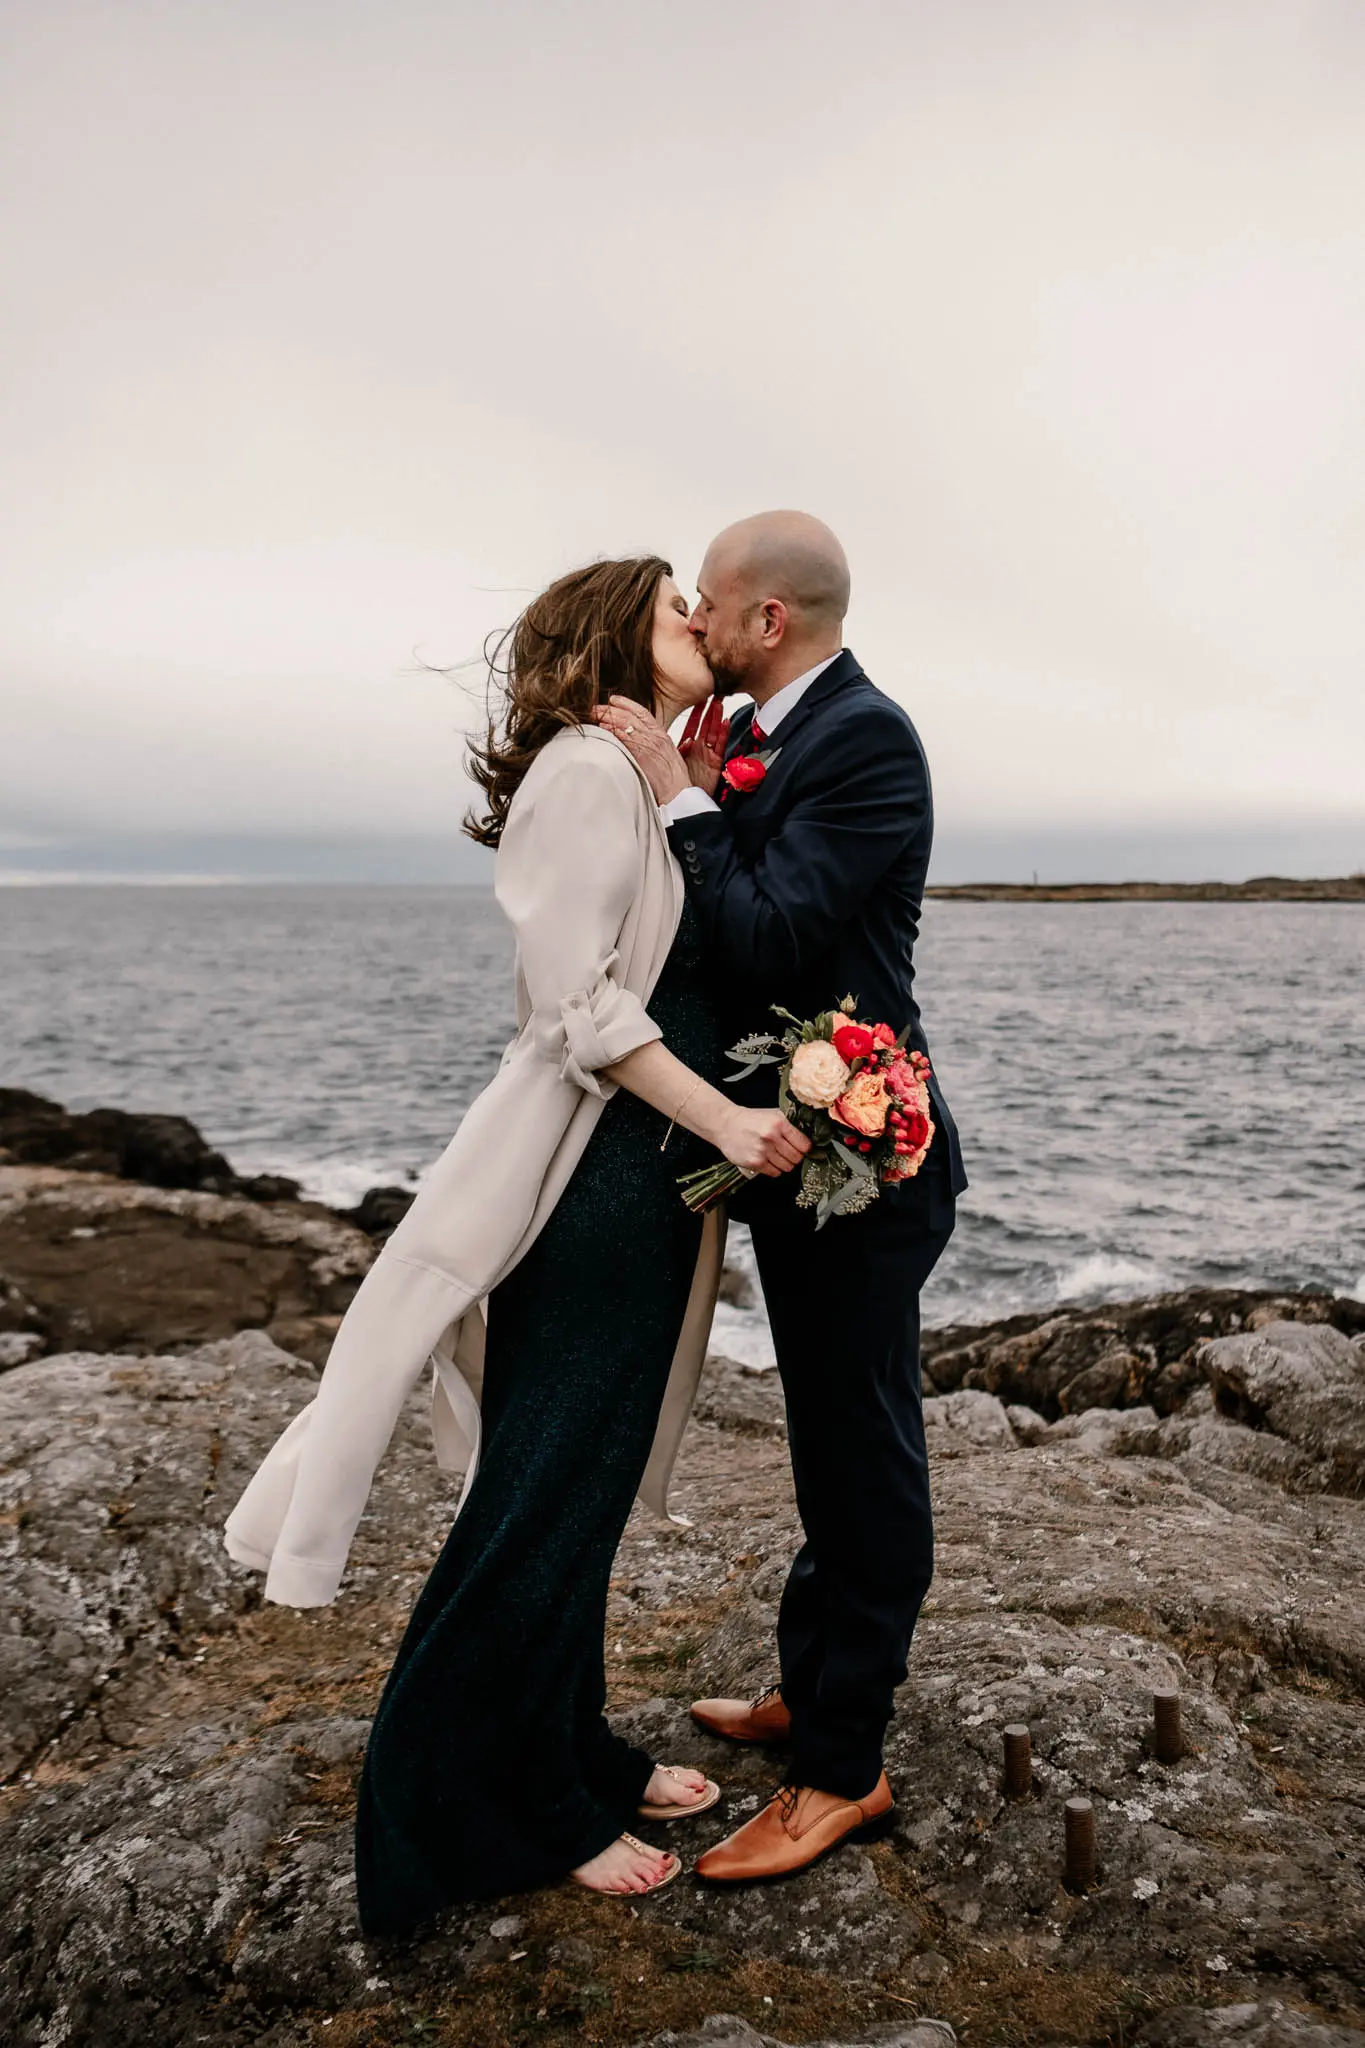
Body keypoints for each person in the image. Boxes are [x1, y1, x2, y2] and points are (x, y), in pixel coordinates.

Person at [223, 555, 807, 1931]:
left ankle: (569, 1755)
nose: (701, 621)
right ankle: (465, 1810)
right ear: (615, 631)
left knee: (584, 1486)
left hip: (647, 1172)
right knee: (540, 1491)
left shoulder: (645, 768)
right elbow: (579, 1009)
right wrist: (727, 1122)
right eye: (677, 604)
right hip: (603, 1175)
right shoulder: (583, 772)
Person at [598, 510, 967, 1884]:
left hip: (871, 1171)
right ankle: (815, 1690)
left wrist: (691, 803)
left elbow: (771, 933)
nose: (691, 613)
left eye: (708, 598)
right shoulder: (775, 736)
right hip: (803, 1158)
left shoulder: (865, 737)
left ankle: (843, 1771)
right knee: (828, 1438)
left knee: (865, 1460)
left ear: (768, 624)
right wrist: (707, 787)